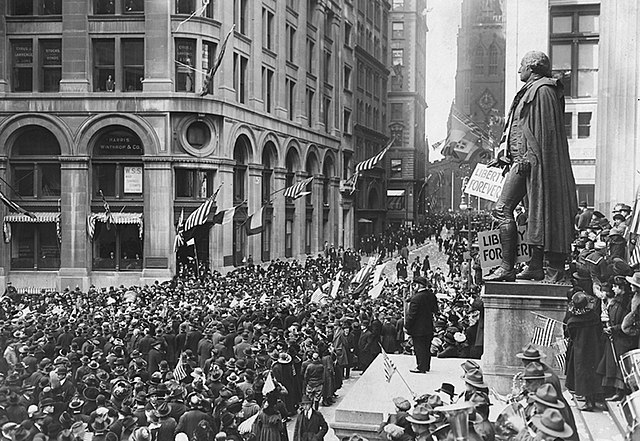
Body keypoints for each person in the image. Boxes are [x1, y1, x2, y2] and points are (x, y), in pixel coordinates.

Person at [486, 50, 577, 283]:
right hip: (522, 162)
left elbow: (546, 135)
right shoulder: (530, 90)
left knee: (502, 209)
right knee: (533, 213)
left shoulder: (544, 90)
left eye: (522, 65)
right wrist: (506, 155)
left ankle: (507, 268)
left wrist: (528, 157)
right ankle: (535, 266)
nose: (519, 70)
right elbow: (521, 130)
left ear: (533, 67)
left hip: (531, 164)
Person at [597, 275, 635, 401]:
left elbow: (628, 323)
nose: (613, 289)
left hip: (622, 338)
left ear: (622, 288)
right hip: (613, 337)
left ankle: (620, 391)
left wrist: (614, 329)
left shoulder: (627, 303)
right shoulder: (615, 300)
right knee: (611, 364)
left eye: (615, 287)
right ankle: (611, 389)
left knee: (619, 364)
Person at [404, 277, 438, 374]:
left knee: (419, 348)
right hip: (428, 326)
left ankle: (420, 367)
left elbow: (412, 316)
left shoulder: (416, 298)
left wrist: (407, 326)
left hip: (418, 328)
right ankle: (426, 366)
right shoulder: (432, 295)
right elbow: (435, 310)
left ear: (419, 285)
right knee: (427, 347)